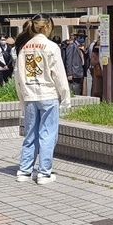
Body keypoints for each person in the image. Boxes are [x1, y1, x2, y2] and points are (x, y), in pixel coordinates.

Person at [13, 13, 71, 185]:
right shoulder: (51, 47)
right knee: (47, 133)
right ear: (47, 27)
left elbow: (18, 76)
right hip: (48, 94)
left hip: (30, 95)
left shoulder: (24, 47)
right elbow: (59, 75)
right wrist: (65, 96)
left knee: (30, 133)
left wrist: (22, 98)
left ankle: (24, 171)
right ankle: (44, 172)